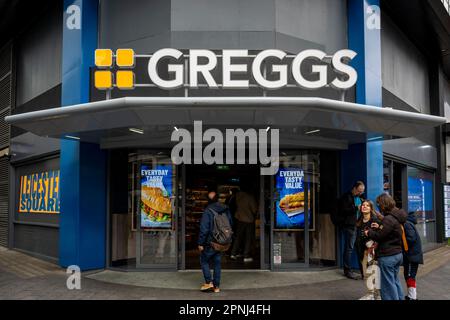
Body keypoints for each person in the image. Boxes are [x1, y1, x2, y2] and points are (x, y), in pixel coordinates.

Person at [365, 194, 407, 300]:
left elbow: (379, 236)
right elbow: (390, 232)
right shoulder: (396, 217)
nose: (378, 206)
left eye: (379, 204)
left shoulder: (388, 219)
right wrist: (380, 227)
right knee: (394, 280)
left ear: (384, 204)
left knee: (387, 285)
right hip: (397, 254)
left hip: (388, 255)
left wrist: (369, 232)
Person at [198, 190, 233, 293]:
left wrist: (200, 243)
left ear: (207, 200)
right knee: (217, 263)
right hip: (221, 241)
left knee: (204, 260)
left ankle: (209, 282)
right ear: (217, 198)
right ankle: (216, 286)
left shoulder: (208, 210)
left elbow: (204, 229)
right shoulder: (225, 208)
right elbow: (230, 223)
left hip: (210, 241)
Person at [355, 200, 383, 299]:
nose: (365, 207)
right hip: (362, 252)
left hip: (372, 252)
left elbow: (380, 236)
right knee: (366, 273)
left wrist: (373, 245)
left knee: (373, 273)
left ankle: (376, 295)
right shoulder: (360, 220)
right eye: (363, 205)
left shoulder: (375, 220)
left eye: (367, 205)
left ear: (371, 208)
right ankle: (371, 293)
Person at [339, 181, 365, 279]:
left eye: (362, 191)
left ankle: (363, 271)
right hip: (350, 226)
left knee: (360, 249)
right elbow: (344, 211)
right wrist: (355, 208)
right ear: (354, 188)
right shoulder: (346, 197)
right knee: (349, 249)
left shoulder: (360, 198)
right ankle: (347, 271)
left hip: (358, 226)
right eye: (359, 191)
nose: (360, 193)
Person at [230, 186, 258, 263]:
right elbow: (254, 209)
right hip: (248, 219)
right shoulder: (250, 197)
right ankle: (246, 255)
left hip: (239, 219)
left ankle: (233, 253)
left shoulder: (237, 196)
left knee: (238, 237)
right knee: (248, 237)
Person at [403, 211, 424, 300]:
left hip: (411, 256)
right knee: (409, 275)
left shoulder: (407, 224)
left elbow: (411, 238)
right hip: (413, 255)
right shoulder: (410, 223)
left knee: (410, 275)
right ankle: (410, 296)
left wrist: (402, 243)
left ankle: (412, 297)